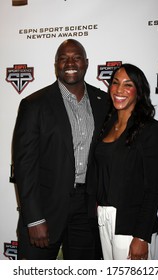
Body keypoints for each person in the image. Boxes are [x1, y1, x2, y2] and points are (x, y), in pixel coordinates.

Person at [12, 39, 110, 260]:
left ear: (86, 63)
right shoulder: (34, 104)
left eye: (76, 57)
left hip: (87, 211)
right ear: (56, 64)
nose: (70, 63)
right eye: (63, 58)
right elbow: (25, 166)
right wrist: (34, 219)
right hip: (46, 209)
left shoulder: (103, 102)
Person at [88, 63, 158, 260]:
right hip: (103, 220)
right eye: (115, 83)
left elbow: (153, 188)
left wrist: (141, 236)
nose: (119, 90)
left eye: (128, 85)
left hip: (131, 224)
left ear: (139, 92)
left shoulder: (151, 130)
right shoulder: (105, 126)